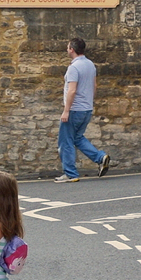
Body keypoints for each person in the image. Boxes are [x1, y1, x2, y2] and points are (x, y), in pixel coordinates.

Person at [56, 37, 111, 182]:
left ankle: (70, 174)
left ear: (72, 49)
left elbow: (72, 90)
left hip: (74, 109)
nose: (67, 49)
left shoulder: (73, 68)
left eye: (68, 47)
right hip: (86, 109)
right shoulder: (90, 65)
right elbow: (94, 87)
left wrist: (66, 110)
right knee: (78, 138)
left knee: (65, 141)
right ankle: (100, 157)